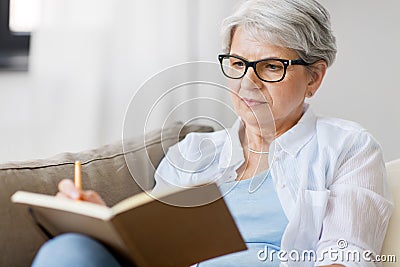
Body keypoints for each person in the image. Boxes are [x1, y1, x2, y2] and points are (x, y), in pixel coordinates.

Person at [32, 0, 393, 266]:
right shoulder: (193, 153)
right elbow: (154, 252)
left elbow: (347, 256)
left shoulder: (347, 147)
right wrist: (105, 224)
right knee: (66, 251)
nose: (247, 83)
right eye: (237, 64)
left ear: (313, 77)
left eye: (270, 66)